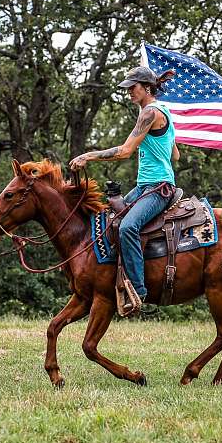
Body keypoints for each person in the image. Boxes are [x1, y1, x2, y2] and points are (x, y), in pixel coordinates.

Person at [70, 66, 179, 303]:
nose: (128, 92)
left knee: (128, 227)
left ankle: (137, 291)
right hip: (145, 186)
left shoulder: (150, 112)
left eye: (133, 87)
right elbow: (175, 154)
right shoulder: (163, 111)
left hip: (158, 187)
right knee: (109, 220)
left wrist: (88, 155)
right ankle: (108, 279)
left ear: (146, 87)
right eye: (127, 88)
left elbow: (125, 151)